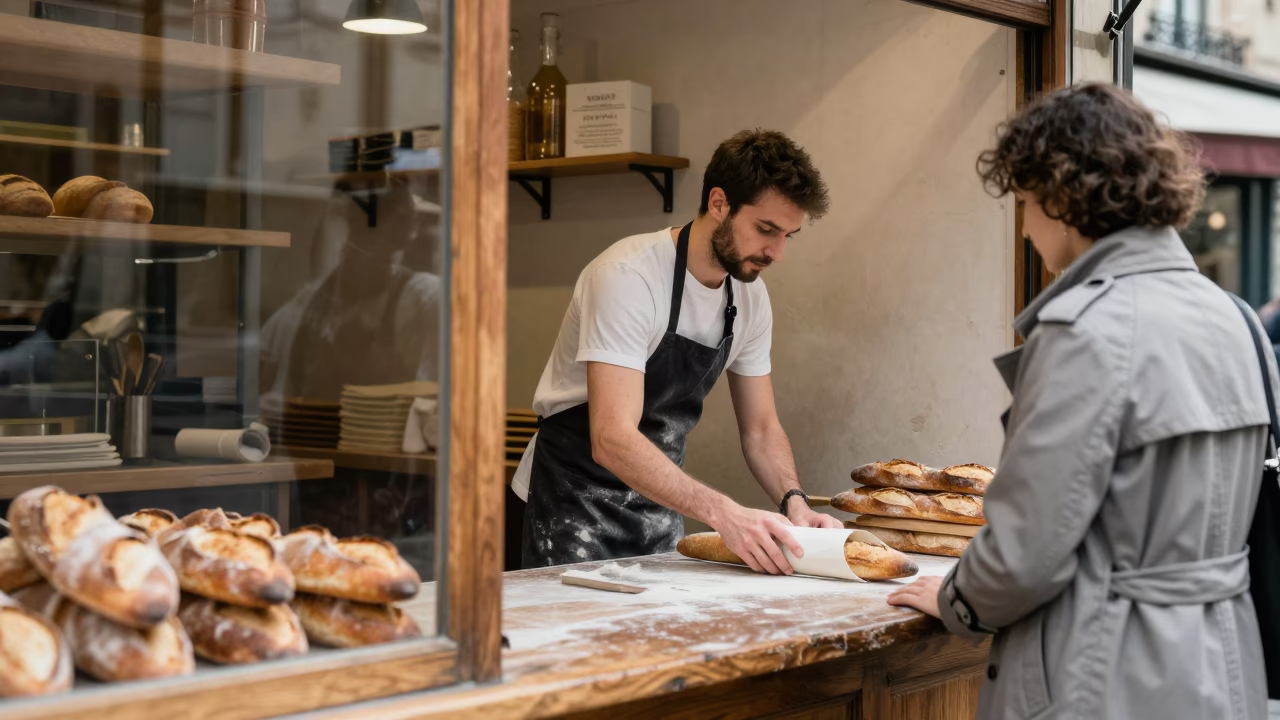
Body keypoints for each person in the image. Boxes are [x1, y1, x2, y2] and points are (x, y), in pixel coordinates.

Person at [888, 83, 1271, 719]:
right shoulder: (1237, 319)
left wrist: (957, 597)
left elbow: (1024, 551)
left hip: (1102, 677)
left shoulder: (1083, 329)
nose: (1026, 226)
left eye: (1026, 201)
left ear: (1064, 196)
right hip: (1222, 670)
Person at [513, 129, 842, 573]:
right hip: (569, 506)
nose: (777, 253)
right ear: (719, 203)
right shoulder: (627, 277)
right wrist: (725, 514)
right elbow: (611, 438)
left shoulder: (749, 298)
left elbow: (761, 429)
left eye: (788, 236)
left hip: (658, 506)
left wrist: (795, 504)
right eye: (766, 230)